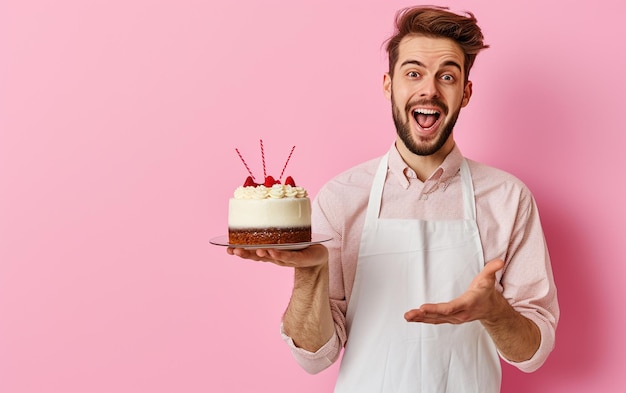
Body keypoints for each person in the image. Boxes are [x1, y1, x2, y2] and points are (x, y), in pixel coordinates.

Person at [227, 5, 559, 392]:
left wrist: (494, 311)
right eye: (413, 73)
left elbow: (532, 353)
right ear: (389, 85)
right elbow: (314, 357)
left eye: (447, 76)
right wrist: (310, 272)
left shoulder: (508, 199)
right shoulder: (341, 198)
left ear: (465, 92)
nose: (429, 90)